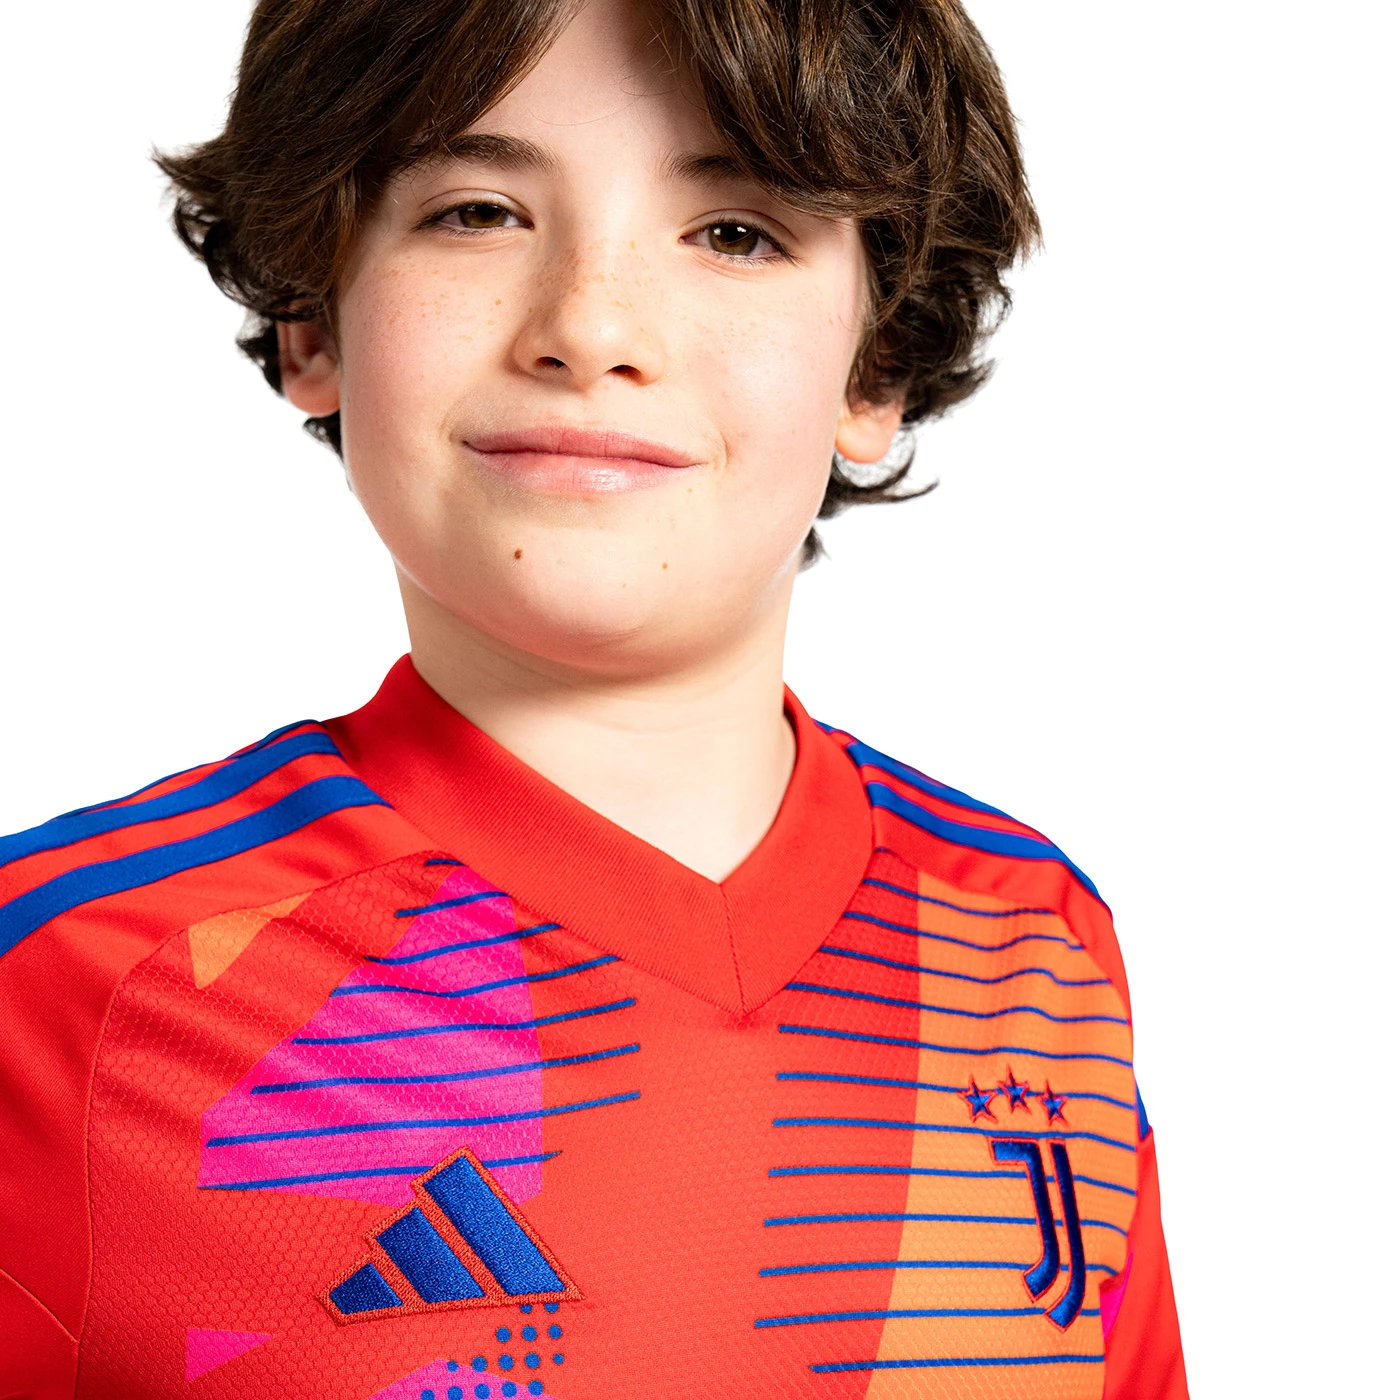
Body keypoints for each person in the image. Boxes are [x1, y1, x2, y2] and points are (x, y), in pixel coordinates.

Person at [0, 0, 1186, 1395]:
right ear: (314, 319)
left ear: (878, 366)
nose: (592, 326)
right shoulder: (59, 981)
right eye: (477, 213)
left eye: (735, 233)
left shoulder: (1033, 943)